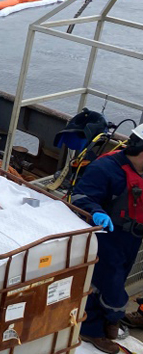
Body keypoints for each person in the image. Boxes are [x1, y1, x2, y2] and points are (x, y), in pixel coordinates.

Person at [70, 123, 143, 353]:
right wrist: (96, 211)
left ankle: (109, 319)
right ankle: (91, 329)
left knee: (119, 278)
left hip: (133, 239)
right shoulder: (106, 168)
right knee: (104, 283)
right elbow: (81, 195)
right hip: (108, 236)